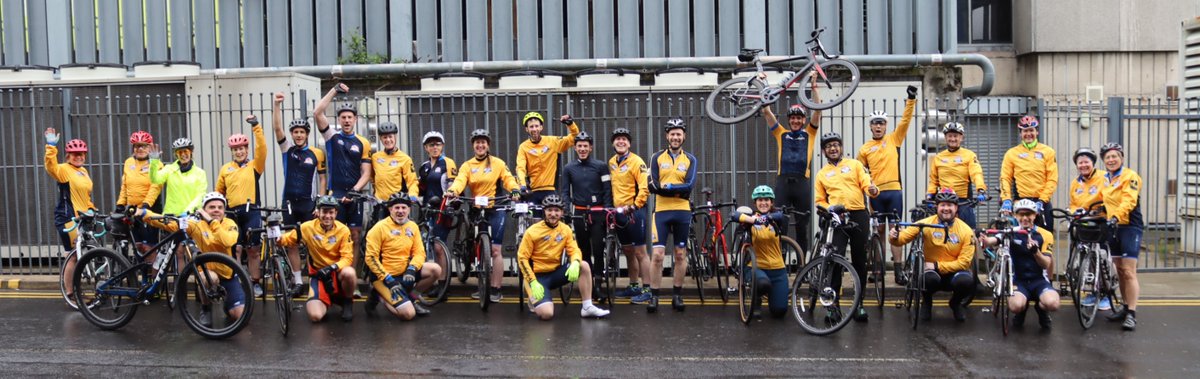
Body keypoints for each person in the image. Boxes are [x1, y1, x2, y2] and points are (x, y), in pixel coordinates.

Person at [139, 192, 244, 327]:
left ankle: (227, 305)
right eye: (211, 207)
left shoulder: (230, 223)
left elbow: (227, 241)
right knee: (210, 279)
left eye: (220, 207)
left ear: (224, 210)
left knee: (239, 316)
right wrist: (143, 213)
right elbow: (170, 224)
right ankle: (206, 308)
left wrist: (212, 222)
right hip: (208, 273)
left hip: (228, 275)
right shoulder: (196, 224)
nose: (216, 210)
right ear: (204, 209)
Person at [445, 129, 521, 303]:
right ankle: (476, 266)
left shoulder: (498, 163)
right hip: (477, 208)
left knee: (495, 250)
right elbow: (459, 181)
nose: (480, 145)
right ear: (473, 145)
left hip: (496, 207)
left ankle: (496, 288)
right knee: (476, 244)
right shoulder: (467, 165)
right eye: (477, 142)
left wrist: (514, 189)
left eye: (483, 142)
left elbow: (508, 178)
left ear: (488, 145)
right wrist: (452, 191)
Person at [814, 132, 879, 322]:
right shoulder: (822, 174)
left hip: (858, 214)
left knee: (860, 260)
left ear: (841, 147)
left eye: (836, 145)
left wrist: (873, 190)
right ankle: (833, 306)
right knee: (834, 260)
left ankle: (859, 304)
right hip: (836, 217)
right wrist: (830, 208)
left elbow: (867, 184)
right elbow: (819, 200)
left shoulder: (855, 165)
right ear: (824, 151)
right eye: (828, 146)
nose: (833, 148)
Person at [314, 83, 372, 283]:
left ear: (355, 119)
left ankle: (351, 278)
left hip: (354, 196)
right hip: (336, 194)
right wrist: (334, 90)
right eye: (343, 117)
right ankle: (333, 275)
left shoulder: (363, 142)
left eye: (350, 117)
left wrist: (355, 191)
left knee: (355, 236)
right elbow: (317, 112)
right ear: (339, 120)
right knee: (333, 235)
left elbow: (367, 172)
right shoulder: (332, 137)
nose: (347, 120)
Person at [518, 195, 611, 320]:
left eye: (557, 211)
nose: (553, 214)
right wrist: (532, 281)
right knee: (547, 314)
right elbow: (522, 258)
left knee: (583, 265)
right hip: (536, 277)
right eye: (549, 210)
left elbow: (574, 250)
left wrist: (575, 262)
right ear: (544, 211)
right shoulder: (532, 231)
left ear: (561, 212)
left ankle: (587, 307)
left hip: (555, 273)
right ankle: (535, 297)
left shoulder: (565, 229)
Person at [858, 85, 917, 281]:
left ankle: (899, 271)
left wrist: (911, 99)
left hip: (894, 193)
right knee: (878, 232)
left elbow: (906, 120)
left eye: (881, 123)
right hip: (875, 195)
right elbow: (859, 173)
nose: (878, 126)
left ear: (885, 125)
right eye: (875, 123)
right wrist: (867, 188)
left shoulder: (894, 139)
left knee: (894, 232)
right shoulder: (865, 149)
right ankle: (879, 269)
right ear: (870, 126)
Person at [889, 189, 975, 322]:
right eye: (942, 205)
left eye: (950, 205)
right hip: (931, 274)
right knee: (928, 279)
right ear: (937, 207)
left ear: (956, 208)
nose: (946, 209)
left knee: (967, 281)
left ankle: (955, 303)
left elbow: (964, 263)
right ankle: (927, 302)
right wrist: (894, 237)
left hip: (954, 274)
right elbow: (902, 239)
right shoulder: (926, 223)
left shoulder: (966, 231)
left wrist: (936, 265)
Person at [271, 91, 327, 293]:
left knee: (312, 241)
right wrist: (276, 105)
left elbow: (322, 178)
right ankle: (297, 281)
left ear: (307, 134)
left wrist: (319, 203)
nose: (298, 135)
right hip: (289, 202)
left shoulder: (317, 153)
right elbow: (277, 128)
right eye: (295, 132)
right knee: (291, 242)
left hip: (308, 203)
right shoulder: (288, 150)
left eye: (302, 132)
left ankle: (314, 277)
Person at [979, 199, 1059, 329]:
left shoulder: (1045, 235)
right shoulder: (1011, 232)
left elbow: (1046, 264)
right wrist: (985, 240)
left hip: (1039, 280)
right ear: (1015, 216)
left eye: (1029, 214)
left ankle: (1042, 311)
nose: (1025, 218)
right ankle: (1022, 310)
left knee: (1053, 303)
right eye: (1021, 214)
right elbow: (993, 240)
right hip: (1019, 282)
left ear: (1035, 215)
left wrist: (1036, 252)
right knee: (1015, 306)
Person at [276, 196, 356, 322]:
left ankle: (347, 302)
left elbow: (347, 258)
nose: (327, 216)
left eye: (331, 212)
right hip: (319, 275)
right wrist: (277, 238)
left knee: (350, 273)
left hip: (336, 271)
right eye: (324, 211)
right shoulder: (307, 227)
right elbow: (287, 239)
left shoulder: (343, 230)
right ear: (318, 212)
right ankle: (331, 298)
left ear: (336, 213)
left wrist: (332, 268)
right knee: (315, 317)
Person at [363, 194, 443, 320]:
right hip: (384, 277)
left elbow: (419, 253)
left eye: (404, 208)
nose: (400, 211)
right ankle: (380, 296)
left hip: (404, 272)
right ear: (390, 209)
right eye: (397, 208)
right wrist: (388, 279)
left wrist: (412, 268)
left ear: (409, 210)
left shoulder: (413, 227)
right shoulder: (379, 228)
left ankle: (411, 297)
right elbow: (371, 258)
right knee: (408, 315)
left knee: (435, 270)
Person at [647, 118, 698, 313]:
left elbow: (690, 186)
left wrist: (667, 187)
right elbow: (653, 186)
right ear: (667, 136)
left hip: (682, 211)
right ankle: (654, 296)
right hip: (661, 211)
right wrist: (677, 189)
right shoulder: (656, 157)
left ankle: (677, 295)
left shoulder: (691, 159)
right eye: (672, 133)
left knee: (679, 254)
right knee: (658, 256)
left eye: (679, 134)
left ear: (684, 136)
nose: (675, 137)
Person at [761, 101, 821, 262]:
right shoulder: (781, 134)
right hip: (783, 184)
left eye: (799, 118)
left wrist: (814, 86)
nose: (795, 121)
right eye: (793, 118)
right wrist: (762, 88)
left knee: (802, 228)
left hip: (802, 184)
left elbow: (818, 110)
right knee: (781, 225)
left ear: (804, 120)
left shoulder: (810, 133)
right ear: (789, 120)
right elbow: (766, 112)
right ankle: (780, 262)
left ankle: (803, 266)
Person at [216, 116, 268, 297]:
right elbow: (219, 192)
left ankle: (254, 283)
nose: (239, 152)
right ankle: (237, 281)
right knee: (235, 248)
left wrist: (256, 126)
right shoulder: (225, 169)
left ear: (247, 149)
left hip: (251, 210)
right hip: (231, 213)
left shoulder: (254, 165)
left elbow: (262, 148)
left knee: (253, 249)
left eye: (242, 149)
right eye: (235, 149)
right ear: (232, 151)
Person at [560, 131, 613, 302]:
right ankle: (588, 283)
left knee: (598, 249)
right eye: (579, 146)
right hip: (579, 213)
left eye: (585, 146)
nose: (582, 149)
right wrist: (566, 211)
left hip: (597, 212)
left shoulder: (601, 166)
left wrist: (607, 209)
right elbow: (565, 192)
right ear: (575, 148)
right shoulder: (569, 168)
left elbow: (607, 189)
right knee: (583, 251)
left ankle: (598, 285)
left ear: (590, 148)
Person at [43, 128, 95, 304]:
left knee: (81, 253)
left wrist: (91, 209)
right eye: (74, 154)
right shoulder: (64, 169)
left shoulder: (84, 172)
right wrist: (51, 147)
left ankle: (78, 291)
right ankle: (71, 294)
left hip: (82, 217)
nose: (78, 156)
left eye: (81, 154)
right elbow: (51, 166)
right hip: (67, 218)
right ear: (68, 156)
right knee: (73, 255)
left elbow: (85, 196)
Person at [1098, 142, 1143, 331]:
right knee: (1120, 271)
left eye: (1114, 156)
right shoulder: (1105, 179)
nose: (1111, 160)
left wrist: (1116, 216)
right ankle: (1124, 308)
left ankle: (1132, 313)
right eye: (1107, 157)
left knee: (1129, 271)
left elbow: (1129, 200)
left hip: (1129, 226)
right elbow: (1101, 202)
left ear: (1121, 158)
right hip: (1112, 226)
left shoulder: (1130, 176)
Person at [607, 127, 655, 305]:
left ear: (629, 143)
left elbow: (645, 187)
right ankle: (634, 285)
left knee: (641, 252)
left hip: (635, 212)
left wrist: (635, 205)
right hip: (618, 213)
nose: (621, 142)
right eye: (618, 139)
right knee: (628, 251)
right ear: (613, 143)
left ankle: (647, 289)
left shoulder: (637, 162)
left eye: (624, 139)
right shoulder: (612, 162)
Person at [731, 185, 790, 318]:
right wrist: (753, 220)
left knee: (779, 311)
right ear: (755, 203)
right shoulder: (751, 218)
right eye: (760, 200)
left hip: (778, 269)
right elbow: (734, 215)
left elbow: (781, 216)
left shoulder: (777, 217)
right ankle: (756, 298)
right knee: (763, 284)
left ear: (772, 202)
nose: (763, 203)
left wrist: (766, 219)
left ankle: (772, 294)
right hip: (756, 267)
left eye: (766, 200)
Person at [1000, 115, 1058, 232]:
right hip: (1021, 201)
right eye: (1025, 131)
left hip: (1042, 202)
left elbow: (1052, 179)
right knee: (1018, 240)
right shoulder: (1011, 153)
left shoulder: (1048, 152)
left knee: (1045, 238)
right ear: (1020, 133)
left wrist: (1042, 200)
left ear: (1037, 132)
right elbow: (1005, 178)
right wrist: (1006, 199)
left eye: (1031, 130)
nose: (1028, 134)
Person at [926, 122, 988, 229]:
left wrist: (980, 189)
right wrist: (930, 194)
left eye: (956, 136)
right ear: (945, 137)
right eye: (950, 136)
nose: (953, 139)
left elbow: (976, 173)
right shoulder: (938, 157)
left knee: (970, 232)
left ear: (961, 137)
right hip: (944, 200)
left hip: (963, 200)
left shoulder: (969, 155)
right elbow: (933, 180)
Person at [417, 130, 457, 285]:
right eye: (431, 144)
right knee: (429, 245)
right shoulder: (424, 167)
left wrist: (449, 202)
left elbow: (452, 184)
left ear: (442, 146)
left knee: (439, 247)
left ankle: (443, 284)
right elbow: (421, 188)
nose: (435, 147)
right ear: (426, 148)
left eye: (438, 144)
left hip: (442, 209)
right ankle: (431, 281)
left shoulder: (447, 162)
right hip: (428, 210)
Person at [116, 131, 163, 257]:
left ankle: (153, 275)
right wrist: (120, 204)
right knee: (138, 246)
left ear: (150, 147)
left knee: (149, 247)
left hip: (149, 209)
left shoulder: (156, 164)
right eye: (137, 146)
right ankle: (142, 275)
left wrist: (146, 205)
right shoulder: (128, 162)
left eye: (144, 146)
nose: (140, 149)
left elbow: (156, 187)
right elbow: (124, 185)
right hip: (132, 210)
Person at [515, 112, 579, 205]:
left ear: (541, 127)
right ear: (526, 129)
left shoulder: (552, 141)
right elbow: (520, 168)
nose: (534, 129)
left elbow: (574, 138)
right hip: (533, 192)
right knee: (533, 219)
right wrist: (523, 186)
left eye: (536, 126)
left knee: (552, 218)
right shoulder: (523, 147)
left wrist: (571, 124)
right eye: (531, 127)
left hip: (550, 190)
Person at [370, 121, 419, 225]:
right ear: (380, 139)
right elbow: (372, 178)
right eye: (385, 137)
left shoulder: (405, 159)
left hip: (397, 205)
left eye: (390, 137)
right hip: (380, 204)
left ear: (395, 137)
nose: (388, 140)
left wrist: (413, 195)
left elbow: (412, 181)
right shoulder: (375, 157)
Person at [148, 137, 208, 216]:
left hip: (190, 216)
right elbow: (155, 179)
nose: (183, 154)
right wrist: (154, 162)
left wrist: (188, 211)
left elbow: (201, 195)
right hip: (171, 215)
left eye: (185, 151)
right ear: (176, 154)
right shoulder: (169, 169)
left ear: (191, 152)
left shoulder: (200, 173)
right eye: (180, 152)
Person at [1068, 147, 1104, 214]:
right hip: (1081, 220)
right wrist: (1074, 212)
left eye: (1086, 162)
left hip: (1101, 220)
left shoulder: (1104, 177)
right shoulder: (1075, 183)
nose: (1083, 165)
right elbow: (1073, 205)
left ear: (1092, 163)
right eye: (1080, 163)